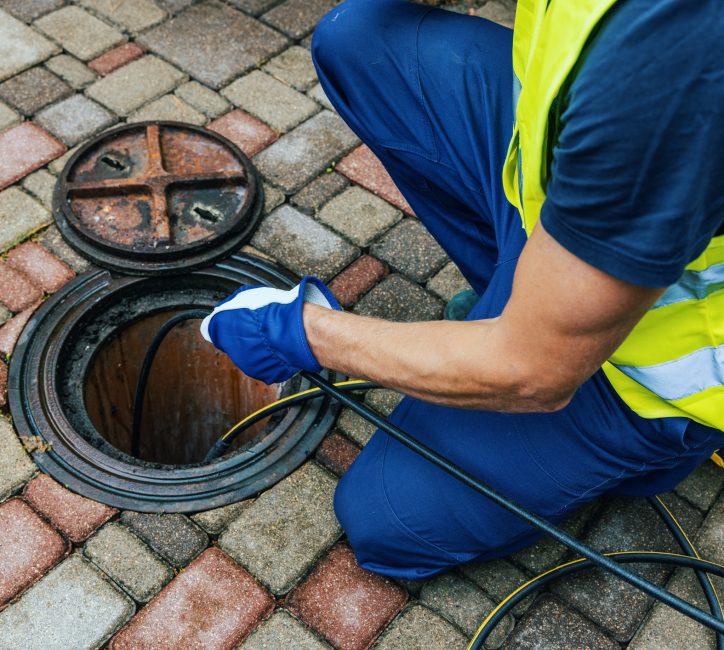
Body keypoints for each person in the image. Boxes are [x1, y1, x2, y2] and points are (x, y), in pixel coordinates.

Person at [202, 0, 724, 580]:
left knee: (388, 520)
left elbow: (535, 371)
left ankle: (653, 452)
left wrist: (303, 332)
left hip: (639, 368)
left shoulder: (677, 61)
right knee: (360, 38)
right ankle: (521, 298)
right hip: (570, 193)